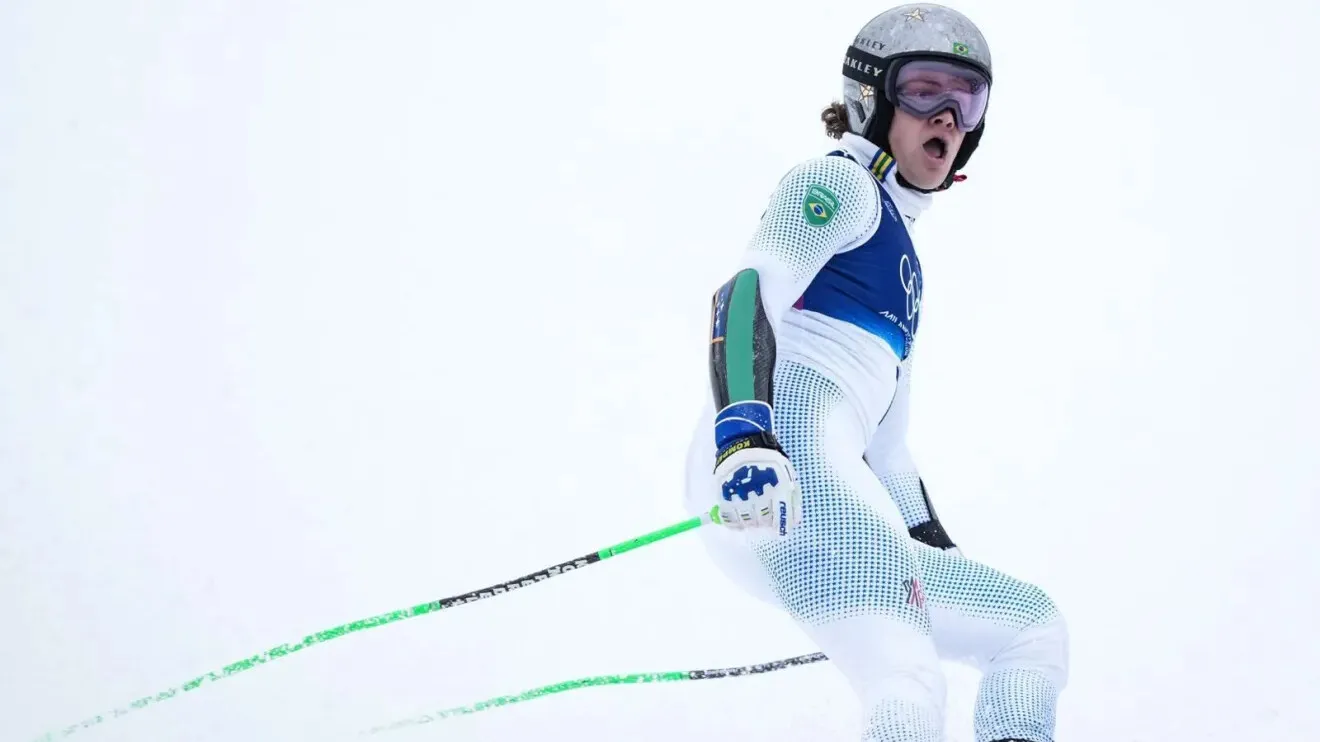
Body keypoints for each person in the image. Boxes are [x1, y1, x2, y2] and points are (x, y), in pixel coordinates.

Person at [683, 4, 1069, 741]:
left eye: (968, 99)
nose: (948, 115)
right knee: (908, 678)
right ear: (873, 97)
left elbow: (887, 450)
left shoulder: (905, 265)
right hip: (777, 466)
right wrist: (745, 437)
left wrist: (934, 555)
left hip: (821, 483)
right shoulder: (841, 186)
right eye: (924, 90)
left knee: (1030, 628)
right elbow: (744, 293)